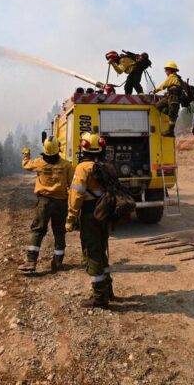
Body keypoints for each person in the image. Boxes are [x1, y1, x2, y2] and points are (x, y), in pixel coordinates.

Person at [65, 132, 114, 309]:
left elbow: (76, 195)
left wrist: (71, 217)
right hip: (104, 213)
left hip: (89, 214)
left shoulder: (82, 168)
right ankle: (108, 289)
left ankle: (99, 297)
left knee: (92, 253)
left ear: (83, 147)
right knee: (101, 250)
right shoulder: (105, 165)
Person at [18, 138, 74, 274]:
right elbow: (71, 184)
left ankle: (31, 261)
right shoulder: (66, 165)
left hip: (44, 202)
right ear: (58, 148)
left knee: (38, 230)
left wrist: (26, 154)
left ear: (45, 150)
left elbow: (25, 165)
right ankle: (58, 262)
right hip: (61, 202)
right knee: (59, 232)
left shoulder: (39, 163)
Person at [151, 61, 182, 136]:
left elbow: (163, 85)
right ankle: (173, 114)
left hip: (174, 98)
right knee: (158, 105)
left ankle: (170, 131)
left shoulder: (172, 77)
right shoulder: (175, 78)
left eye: (166, 70)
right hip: (170, 97)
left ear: (170, 70)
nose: (165, 71)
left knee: (172, 116)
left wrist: (155, 91)